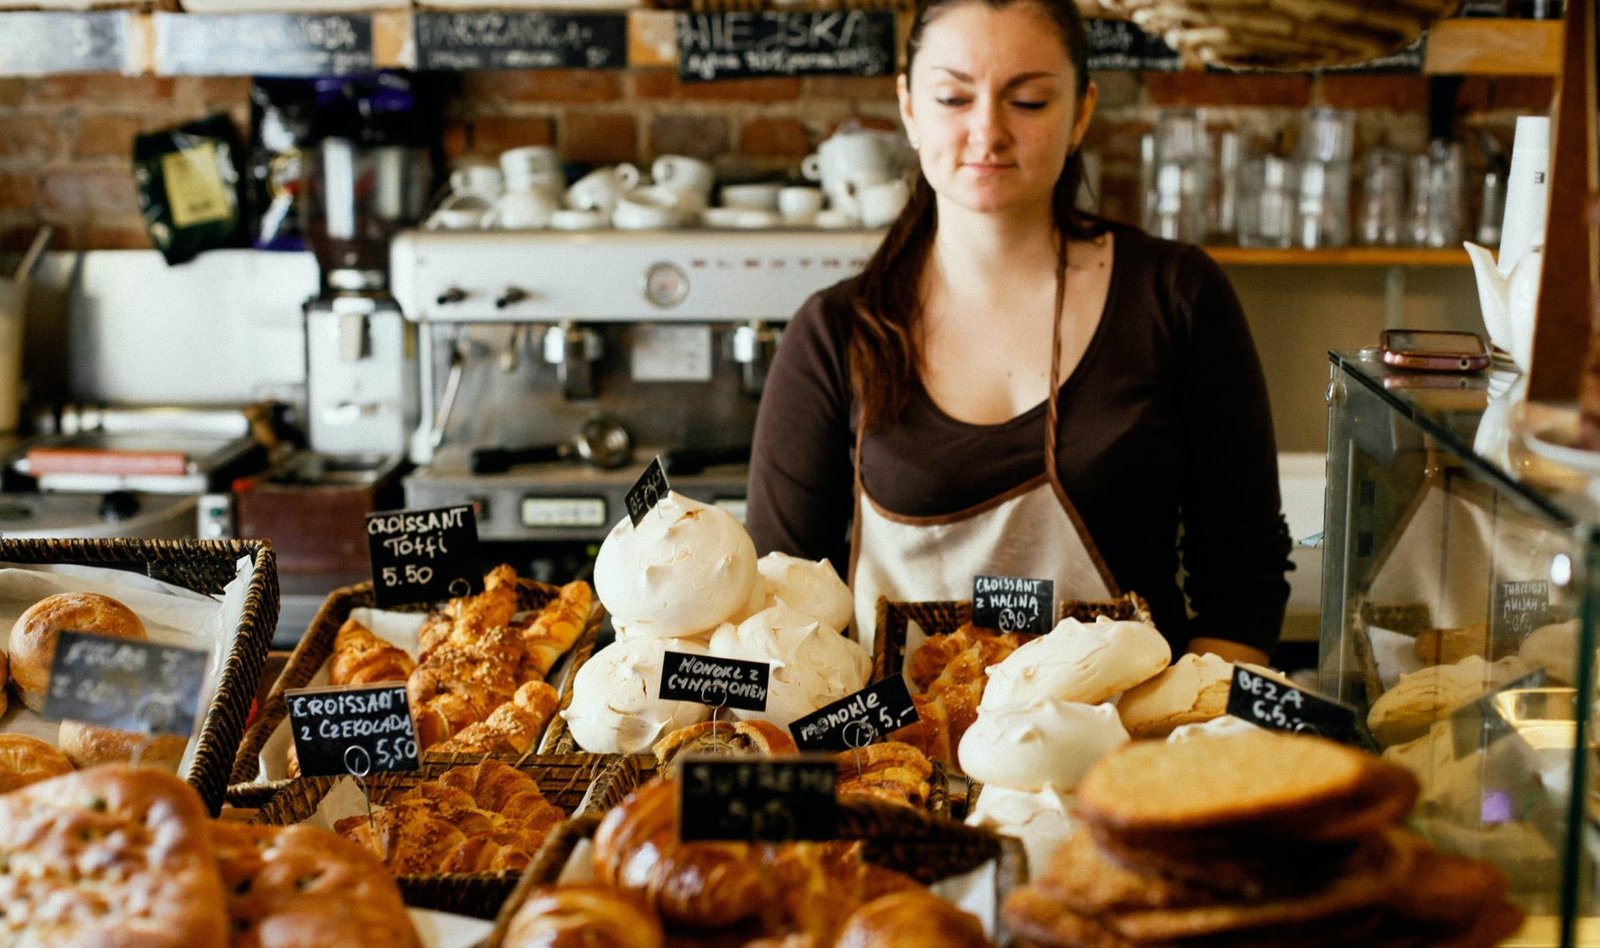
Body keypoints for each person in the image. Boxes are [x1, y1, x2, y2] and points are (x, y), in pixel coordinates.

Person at [744, 0, 1291, 665]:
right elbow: (777, 609)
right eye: (953, 98)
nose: (987, 132)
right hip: (894, 733)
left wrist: (1190, 722)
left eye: (1028, 101)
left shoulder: (1174, 296)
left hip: (1126, 727)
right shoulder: (836, 332)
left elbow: (1243, 578)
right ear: (909, 108)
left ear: (1081, 112)